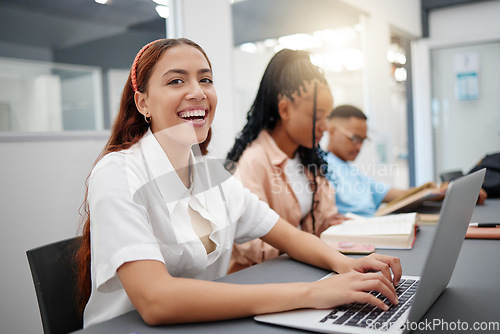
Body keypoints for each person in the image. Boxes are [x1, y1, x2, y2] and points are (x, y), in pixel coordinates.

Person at [74, 38, 402, 328]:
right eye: (176, 81)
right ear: (143, 102)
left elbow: (289, 236)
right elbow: (156, 300)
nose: (198, 92)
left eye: (206, 79)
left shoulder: (210, 175)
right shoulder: (117, 173)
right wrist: (314, 293)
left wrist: (348, 266)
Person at [226, 49, 345, 273]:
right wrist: (310, 242)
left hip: (303, 270)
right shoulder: (254, 161)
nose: (325, 127)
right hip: (260, 280)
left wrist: (332, 227)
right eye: (317, 117)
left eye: (327, 117)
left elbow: (326, 218)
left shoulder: (307, 158)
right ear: (284, 109)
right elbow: (254, 247)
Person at [325, 105, 487, 217]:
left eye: (363, 140)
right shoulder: (321, 167)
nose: (359, 146)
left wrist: (450, 190)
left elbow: (402, 195)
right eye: (354, 138)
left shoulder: (352, 172)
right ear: (331, 130)